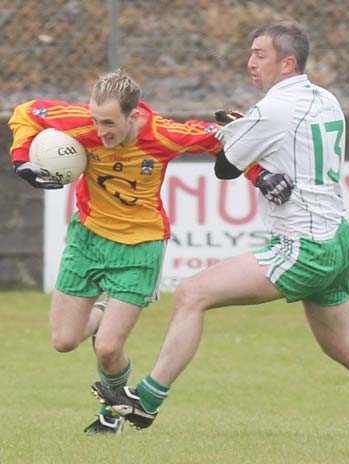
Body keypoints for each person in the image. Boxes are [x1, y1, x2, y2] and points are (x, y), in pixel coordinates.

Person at [91, 22, 349, 438]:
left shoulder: (274, 109)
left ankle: (146, 402)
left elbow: (225, 166)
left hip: (303, 245)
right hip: (337, 238)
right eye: (252, 53)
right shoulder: (326, 99)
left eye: (260, 54)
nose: (251, 62)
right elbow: (284, 146)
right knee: (343, 346)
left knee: (191, 293)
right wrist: (245, 127)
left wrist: (239, 129)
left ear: (287, 62)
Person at [8, 69, 293, 435]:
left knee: (108, 348)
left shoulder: (163, 134)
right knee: (63, 341)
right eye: (96, 121)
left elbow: (224, 141)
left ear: (134, 115)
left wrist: (260, 176)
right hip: (88, 240)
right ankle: (102, 310)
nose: (101, 131)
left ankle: (111, 415)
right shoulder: (80, 124)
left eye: (110, 123)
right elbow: (25, 113)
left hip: (140, 248)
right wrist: (21, 161)